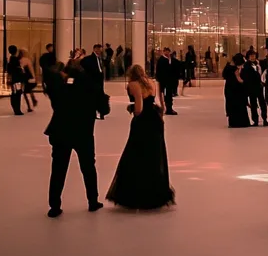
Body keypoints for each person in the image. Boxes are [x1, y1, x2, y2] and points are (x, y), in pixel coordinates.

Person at [44, 58, 108, 217]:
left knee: (58, 168)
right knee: (88, 167)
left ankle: (54, 205)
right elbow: (104, 110)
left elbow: (53, 93)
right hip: (83, 132)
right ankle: (93, 201)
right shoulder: (92, 86)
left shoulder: (60, 86)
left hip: (61, 131)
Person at [106, 65, 175, 209]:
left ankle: (136, 193)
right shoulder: (151, 82)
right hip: (155, 120)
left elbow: (139, 109)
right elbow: (154, 101)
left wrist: (131, 108)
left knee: (136, 153)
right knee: (155, 155)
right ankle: (155, 192)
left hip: (143, 122)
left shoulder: (133, 85)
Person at [222, 54, 250, 128]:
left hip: (231, 89)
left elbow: (224, 76)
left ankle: (233, 123)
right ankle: (241, 122)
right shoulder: (235, 69)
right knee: (238, 105)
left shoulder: (228, 68)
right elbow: (240, 80)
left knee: (232, 105)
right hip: (236, 89)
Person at [242, 50, 268, 126]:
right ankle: (255, 120)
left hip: (259, 87)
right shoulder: (246, 66)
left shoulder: (259, 64)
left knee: (262, 103)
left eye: (254, 55)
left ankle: (264, 118)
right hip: (252, 87)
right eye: (251, 56)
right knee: (253, 104)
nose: (252, 57)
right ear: (248, 57)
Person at [81, 45, 105, 119]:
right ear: (94, 49)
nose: (99, 51)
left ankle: (100, 112)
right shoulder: (88, 59)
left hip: (99, 80)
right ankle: (96, 112)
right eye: (98, 49)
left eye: (100, 50)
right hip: (94, 80)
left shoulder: (99, 58)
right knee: (95, 97)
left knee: (99, 96)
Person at [155, 47, 178, 115]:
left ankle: (169, 108)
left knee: (168, 95)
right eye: (166, 51)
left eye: (168, 51)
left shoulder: (171, 59)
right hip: (163, 80)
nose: (167, 53)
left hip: (169, 81)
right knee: (163, 95)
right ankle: (164, 108)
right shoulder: (161, 60)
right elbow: (159, 71)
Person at [6, 45, 24, 116]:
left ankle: (16, 108)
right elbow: (19, 70)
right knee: (17, 94)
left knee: (15, 93)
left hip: (14, 79)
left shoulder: (10, 60)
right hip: (17, 79)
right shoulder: (15, 60)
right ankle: (17, 109)